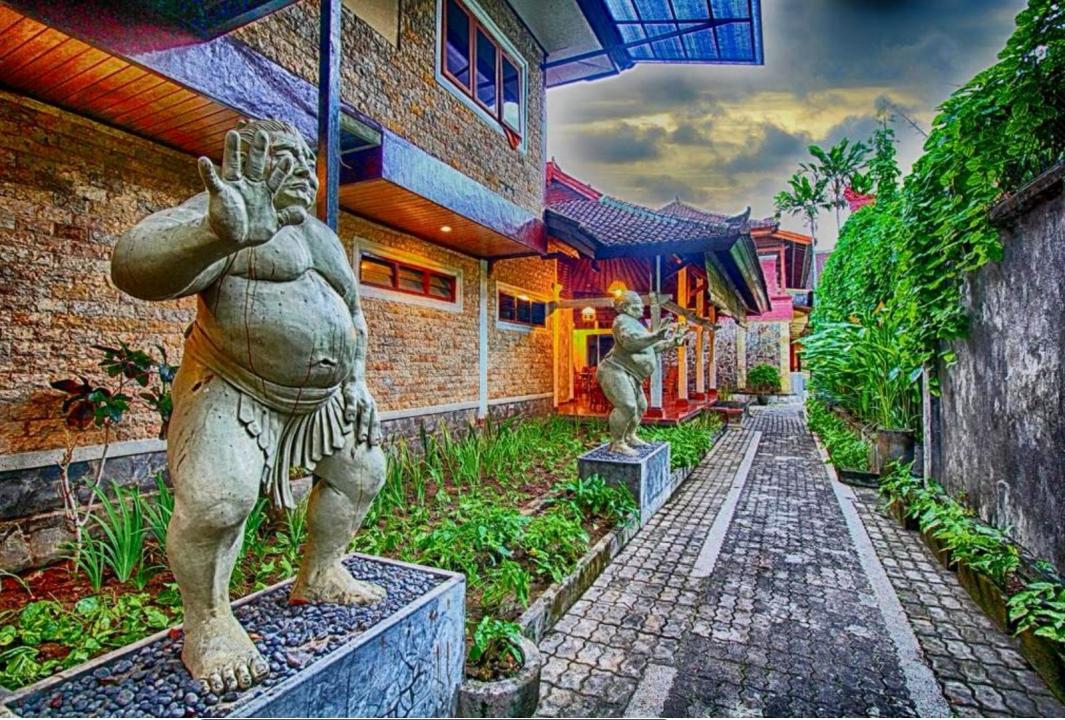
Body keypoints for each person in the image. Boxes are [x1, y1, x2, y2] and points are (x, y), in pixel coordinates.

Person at [111, 119, 385, 693]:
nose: (304, 169)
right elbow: (132, 266)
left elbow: (354, 316)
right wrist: (215, 234)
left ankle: (321, 572)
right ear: (250, 161)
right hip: (233, 384)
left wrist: (357, 382)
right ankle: (208, 623)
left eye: (308, 160)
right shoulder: (219, 214)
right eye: (286, 157)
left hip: (324, 400)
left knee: (362, 470)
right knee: (217, 501)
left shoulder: (322, 237)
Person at [596, 291, 677, 454]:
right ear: (625, 307)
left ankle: (630, 435)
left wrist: (671, 342)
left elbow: (650, 347)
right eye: (637, 306)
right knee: (627, 406)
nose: (641, 309)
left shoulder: (636, 323)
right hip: (615, 368)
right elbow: (630, 342)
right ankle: (617, 443)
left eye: (641, 305)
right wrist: (655, 336)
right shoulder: (622, 320)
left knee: (641, 406)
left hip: (631, 373)